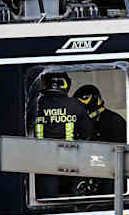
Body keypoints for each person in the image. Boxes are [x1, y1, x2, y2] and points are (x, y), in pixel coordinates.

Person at [33, 71, 95, 199]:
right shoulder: (76, 104)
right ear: (65, 84)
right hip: (72, 160)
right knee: (75, 199)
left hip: (43, 161)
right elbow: (88, 133)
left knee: (47, 199)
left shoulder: (34, 105)